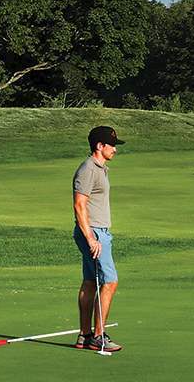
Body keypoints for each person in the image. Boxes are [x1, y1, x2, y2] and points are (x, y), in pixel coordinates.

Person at [73, 125, 125, 352]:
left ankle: (85, 336)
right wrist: (91, 238)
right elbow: (79, 204)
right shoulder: (88, 169)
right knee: (110, 282)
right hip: (93, 232)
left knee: (89, 282)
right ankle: (98, 336)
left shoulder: (100, 168)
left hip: (96, 231)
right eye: (111, 145)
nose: (115, 149)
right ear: (99, 146)